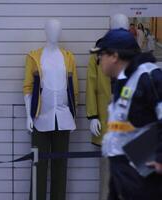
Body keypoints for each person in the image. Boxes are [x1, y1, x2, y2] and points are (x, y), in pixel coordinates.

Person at [90, 28, 162, 200]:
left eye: (102, 55)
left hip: (144, 177)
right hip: (123, 173)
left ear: (114, 56)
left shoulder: (149, 76)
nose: (99, 60)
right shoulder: (124, 81)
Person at [23, 19, 78, 200]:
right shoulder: (34, 57)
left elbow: (74, 89)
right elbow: (28, 88)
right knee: (38, 167)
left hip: (63, 118)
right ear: (45, 31)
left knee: (60, 169)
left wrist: (74, 114)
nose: (56, 32)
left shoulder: (68, 57)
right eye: (52, 29)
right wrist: (28, 116)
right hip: (40, 118)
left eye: (58, 29)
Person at [85, 14, 129, 200]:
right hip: (105, 117)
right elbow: (91, 86)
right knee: (106, 174)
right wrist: (92, 115)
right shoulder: (97, 55)